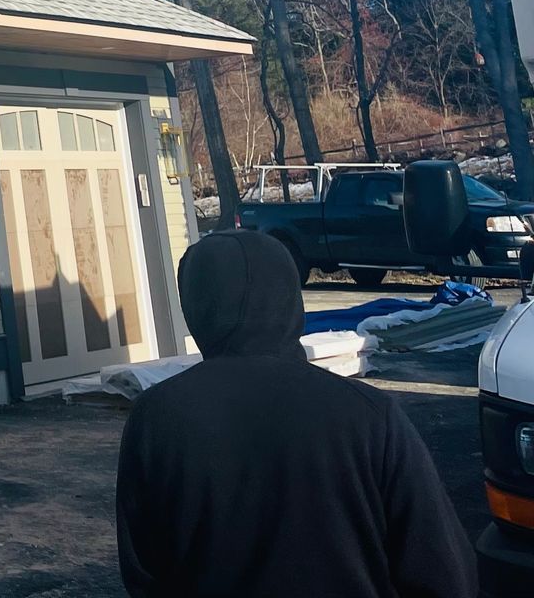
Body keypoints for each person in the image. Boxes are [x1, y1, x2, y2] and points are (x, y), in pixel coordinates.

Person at [117, 228, 475, 597]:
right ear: (290, 298)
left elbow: (144, 569)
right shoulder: (368, 414)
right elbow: (443, 572)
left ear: (195, 306)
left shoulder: (157, 416)